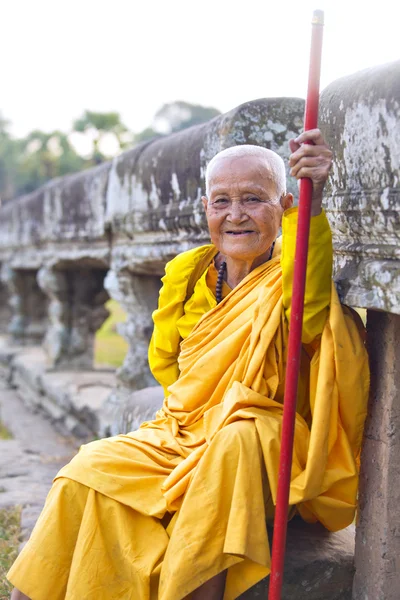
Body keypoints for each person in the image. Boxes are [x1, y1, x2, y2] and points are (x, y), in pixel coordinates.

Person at [8, 130, 369, 600]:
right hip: (185, 430)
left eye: (254, 199)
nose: (235, 215)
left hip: (263, 432)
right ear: (205, 209)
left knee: (235, 441)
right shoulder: (188, 274)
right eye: (222, 201)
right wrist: (197, 416)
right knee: (87, 466)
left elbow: (307, 303)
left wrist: (313, 202)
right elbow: (169, 368)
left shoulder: (290, 273)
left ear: (283, 206)